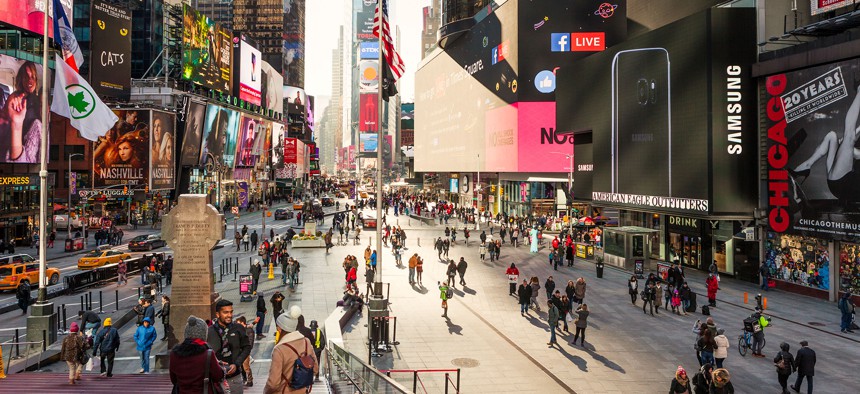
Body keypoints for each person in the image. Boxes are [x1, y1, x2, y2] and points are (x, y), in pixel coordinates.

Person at [264, 305, 319, 393]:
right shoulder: (306, 342)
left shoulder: (279, 349)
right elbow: (315, 369)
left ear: (281, 328)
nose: (277, 328)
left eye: (278, 326)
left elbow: (273, 383)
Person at [170, 315, 226, 394]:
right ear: (204, 334)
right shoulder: (208, 354)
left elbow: (174, 380)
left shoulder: (174, 354)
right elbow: (218, 376)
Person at [207, 299, 253, 394]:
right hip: (216, 380)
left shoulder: (238, 328)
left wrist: (237, 364)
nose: (230, 315)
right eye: (225, 312)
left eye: (231, 312)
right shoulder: (209, 331)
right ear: (217, 314)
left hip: (235, 379)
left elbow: (247, 347)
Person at [235, 316, 256, 387]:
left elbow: (250, 343)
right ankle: (244, 379)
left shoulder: (249, 330)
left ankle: (250, 380)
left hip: (245, 352)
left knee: (246, 367)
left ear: (242, 323)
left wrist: (246, 350)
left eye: (238, 323)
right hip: (239, 351)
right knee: (241, 366)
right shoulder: (240, 330)